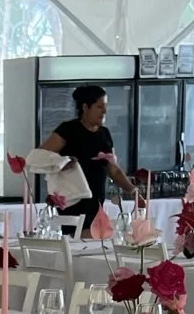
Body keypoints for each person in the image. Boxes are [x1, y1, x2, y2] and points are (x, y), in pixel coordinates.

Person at [39, 84, 136, 232]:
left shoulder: (104, 134)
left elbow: (114, 170)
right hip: (72, 199)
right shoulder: (68, 130)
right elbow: (42, 156)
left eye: (105, 106)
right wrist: (63, 162)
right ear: (85, 108)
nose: (104, 111)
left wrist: (133, 191)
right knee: (77, 240)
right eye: (99, 106)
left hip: (96, 201)